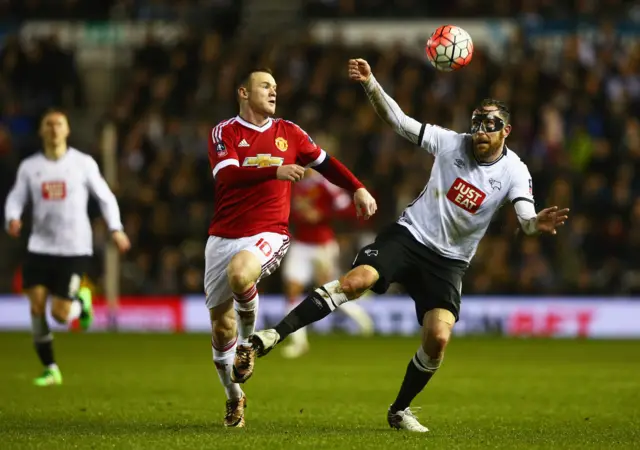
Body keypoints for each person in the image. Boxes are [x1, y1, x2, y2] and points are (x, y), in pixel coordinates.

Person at [240, 59, 570, 432]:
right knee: (356, 280)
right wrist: (370, 84)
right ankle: (270, 336)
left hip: (449, 263)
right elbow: (399, 121)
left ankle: (399, 410)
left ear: (506, 131)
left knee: (438, 338)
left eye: (490, 125)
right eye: (477, 122)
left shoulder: (515, 172)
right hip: (410, 237)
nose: (480, 131)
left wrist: (533, 223)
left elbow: (525, 218)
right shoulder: (450, 142)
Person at [205, 68, 377, 428]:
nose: (272, 91)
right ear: (242, 92)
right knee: (221, 328)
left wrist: (357, 187)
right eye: (264, 86)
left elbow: (326, 164)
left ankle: (249, 344)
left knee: (241, 273)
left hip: (269, 232)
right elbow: (227, 175)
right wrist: (275, 170)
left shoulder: (290, 133)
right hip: (223, 235)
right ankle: (234, 398)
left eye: (275, 87)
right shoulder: (225, 132)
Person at [4, 110, 131, 387]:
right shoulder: (30, 167)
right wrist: (12, 217)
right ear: (41, 131)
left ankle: (81, 301)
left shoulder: (82, 164)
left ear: (67, 130)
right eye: (47, 123)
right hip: (40, 246)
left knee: (59, 315)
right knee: (36, 306)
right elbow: (16, 196)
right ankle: (50, 368)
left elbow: (105, 196)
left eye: (58, 124)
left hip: (74, 248)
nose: (53, 128)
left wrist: (116, 228)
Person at [280, 169, 374, 359]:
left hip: (322, 245)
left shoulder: (326, 184)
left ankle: (361, 318)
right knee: (292, 290)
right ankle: (299, 342)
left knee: (327, 291)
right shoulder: (292, 183)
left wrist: (321, 213)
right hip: (301, 243)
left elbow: (346, 206)